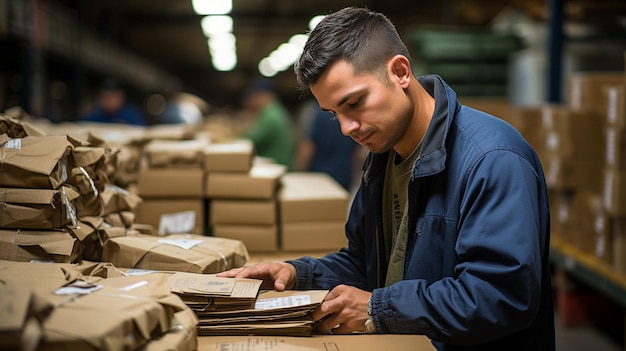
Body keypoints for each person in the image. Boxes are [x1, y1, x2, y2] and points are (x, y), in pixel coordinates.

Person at [219, 7, 555, 350]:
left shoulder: (492, 159)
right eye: (335, 114)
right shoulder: (383, 159)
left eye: (355, 102)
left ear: (400, 72)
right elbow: (365, 264)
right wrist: (296, 274)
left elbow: (500, 297)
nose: (348, 128)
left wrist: (377, 308)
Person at [295, 99, 363, 190]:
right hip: (344, 175)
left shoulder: (319, 114)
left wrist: (300, 172)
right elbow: (358, 153)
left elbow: (308, 147)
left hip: (318, 176)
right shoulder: (351, 115)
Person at [240, 78, 295, 169]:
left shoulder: (270, 115)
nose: (253, 100)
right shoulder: (274, 110)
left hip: (277, 166)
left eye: (255, 96)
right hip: (278, 165)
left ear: (263, 95)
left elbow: (250, 140)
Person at [80, 79, 148, 126]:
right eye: (106, 96)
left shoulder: (132, 115)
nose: (109, 100)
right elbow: (82, 125)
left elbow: (142, 131)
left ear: (121, 97)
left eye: (113, 96)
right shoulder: (95, 114)